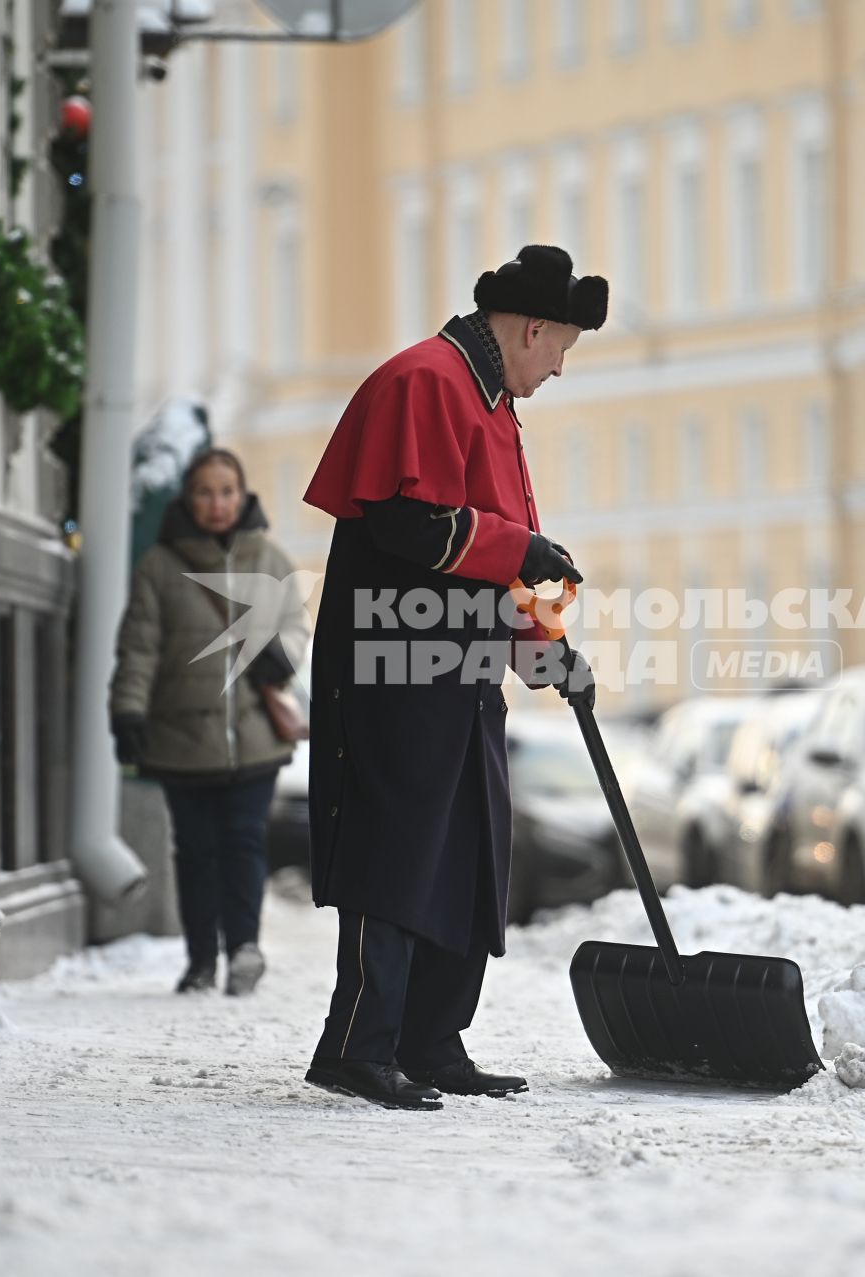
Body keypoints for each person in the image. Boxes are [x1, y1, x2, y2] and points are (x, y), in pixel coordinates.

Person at [299, 245, 605, 1111]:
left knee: (468, 845)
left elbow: (485, 571)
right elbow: (409, 524)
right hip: (392, 667)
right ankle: (360, 1045)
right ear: (532, 327)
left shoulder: (490, 398)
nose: (559, 368)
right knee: (397, 849)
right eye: (562, 350)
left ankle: (432, 1040)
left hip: (455, 666)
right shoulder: (427, 381)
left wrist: (542, 652)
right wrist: (523, 548)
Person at [109, 448, 312, 996]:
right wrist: (127, 709)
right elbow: (140, 649)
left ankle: (244, 949)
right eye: (205, 491)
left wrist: (283, 654)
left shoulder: (268, 558)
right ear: (189, 499)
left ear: (242, 496)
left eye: (227, 491)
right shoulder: (159, 565)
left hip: (253, 734)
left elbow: (297, 624)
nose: (217, 503)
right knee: (196, 851)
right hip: (181, 737)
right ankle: (201, 958)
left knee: (245, 840)